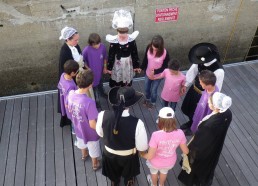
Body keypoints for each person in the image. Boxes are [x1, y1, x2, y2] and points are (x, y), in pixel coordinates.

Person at [96, 86, 148, 186]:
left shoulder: (102, 115)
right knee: (128, 174)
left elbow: (100, 133)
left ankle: (114, 181)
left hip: (109, 155)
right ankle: (128, 181)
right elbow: (142, 147)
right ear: (131, 104)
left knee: (113, 174)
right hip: (128, 157)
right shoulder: (138, 123)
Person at [178, 92, 232, 186]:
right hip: (215, 144)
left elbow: (199, 144)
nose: (208, 102)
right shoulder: (228, 113)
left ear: (216, 107)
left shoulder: (209, 125)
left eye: (210, 102)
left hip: (204, 148)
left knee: (195, 166)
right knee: (208, 165)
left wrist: (189, 152)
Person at [140, 107, 189, 186]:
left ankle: (154, 184)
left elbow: (149, 156)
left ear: (160, 121)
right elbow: (186, 151)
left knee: (154, 172)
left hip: (155, 162)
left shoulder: (156, 135)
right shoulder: (180, 133)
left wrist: (142, 154)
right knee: (164, 172)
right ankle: (161, 184)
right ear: (174, 120)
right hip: (169, 162)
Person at [180, 42, 224, 130]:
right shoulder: (199, 61)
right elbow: (192, 71)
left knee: (198, 112)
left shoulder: (218, 70)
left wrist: (211, 99)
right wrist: (186, 84)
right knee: (189, 107)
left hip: (204, 94)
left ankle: (194, 127)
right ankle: (190, 122)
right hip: (195, 89)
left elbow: (217, 86)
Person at [67, 69, 101, 170]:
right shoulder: (89, 102)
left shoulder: (71, 94)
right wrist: (101, 132)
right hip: (90, 133)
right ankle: (95, 164)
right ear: (90, 85)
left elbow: (69, 109)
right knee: (93, 147)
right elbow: (92, 124)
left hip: (78, 128)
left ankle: (84, 154)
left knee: (81, 142)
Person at [106, 9, 141, 88]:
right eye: (120, 33)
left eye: (124, 33)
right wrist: (109, 68)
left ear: (127, 31)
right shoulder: (114, 41)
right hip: (117, 64)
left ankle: (126, 91)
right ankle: (117, 91)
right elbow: (111, 55)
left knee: (126, 79)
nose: (122, 35)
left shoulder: (131, 40)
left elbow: (134, 53)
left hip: (128, 63)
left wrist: (136, 66)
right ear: (117, 31)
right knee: (118, 79)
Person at [185, 70, 219, 136]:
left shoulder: (214, 97)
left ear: (208, 85)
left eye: (201, 83)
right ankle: (192, 130)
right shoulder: (207, 89)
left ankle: (195, 134)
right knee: (195, 121)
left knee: (199, 129)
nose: (200, 84)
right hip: (199, 110)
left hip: (204, 116)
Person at [140, 35, 170, 109]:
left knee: (154, 90)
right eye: (153, 46)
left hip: (158, 76)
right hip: (148, 73)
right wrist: (141, 67)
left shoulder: (165, 53)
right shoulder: (149, 47)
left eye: (156, 48)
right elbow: (145, 59)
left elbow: (166, 66)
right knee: (146, 88)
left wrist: (155, 72)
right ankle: (147, 99)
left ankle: (153, 102)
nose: (154, 49)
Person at [82, 33, 108, 106]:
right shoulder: (86, 50)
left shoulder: (102, 47)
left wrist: (105, 67)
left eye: (98, 43)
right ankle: (95, 100)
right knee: (93, 88)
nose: (97, 46)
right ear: (91, 44)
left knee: (100, 83)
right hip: (91, 74)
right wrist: (88, 69)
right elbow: (82, 62)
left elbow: (105, 58)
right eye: (94, 44)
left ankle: (102, 93)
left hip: (100, 72)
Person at [57, 60, 79, 127]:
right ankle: (74, 129)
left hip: (63, 99)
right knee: (73, 119)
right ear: (72, 73)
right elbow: (72, 99)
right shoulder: (70, 86)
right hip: (70, 106)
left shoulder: (63, 75)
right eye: (77, 71)